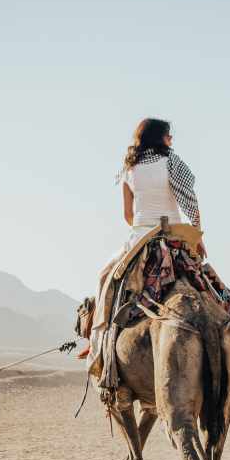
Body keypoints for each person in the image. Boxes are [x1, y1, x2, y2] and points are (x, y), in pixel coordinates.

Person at [79, 117, 204, 362]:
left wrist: (144, 228)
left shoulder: (127, 169)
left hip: (139, 238)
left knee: (104, 278)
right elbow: (190, 201)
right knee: (207, 282)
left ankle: (97, 345)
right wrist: (197, 235)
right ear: (158, 137)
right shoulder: (171, 162)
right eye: (168, 135)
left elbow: (127, 214)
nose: (171, 139)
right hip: (175, 235)